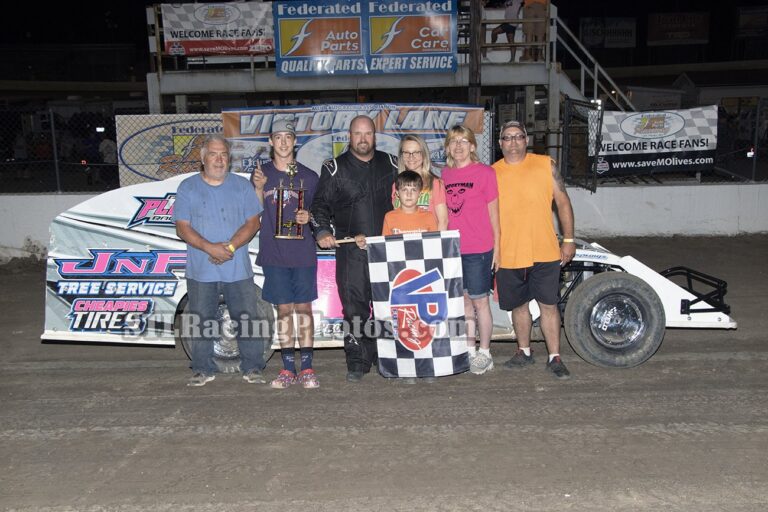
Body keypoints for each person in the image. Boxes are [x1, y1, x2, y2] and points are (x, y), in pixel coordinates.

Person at [173, 134, 267, 387]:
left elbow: (253, 222)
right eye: (213, 154)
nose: (219, 159)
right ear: (203, 159)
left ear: (229, 159)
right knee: (202, 320)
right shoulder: (188, 187)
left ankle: (253, 367)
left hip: (237, 268)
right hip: (201, 269)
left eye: (223, 154)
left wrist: (230, 247)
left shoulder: (241, 186)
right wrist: (209, 248)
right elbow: (182, 227)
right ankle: (202, 369)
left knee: (247, 318)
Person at [311, 115, 398, 383]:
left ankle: (386, 356)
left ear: (375, 135)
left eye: (368, 133)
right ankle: (358, 360)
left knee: (386, 307)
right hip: (352, 252)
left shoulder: (391, 163)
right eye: (357, 134)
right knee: (354, 307)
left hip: (386, 250)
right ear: (349, 136)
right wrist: (323, 230)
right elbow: (319, 207)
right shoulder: (334, 168)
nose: (363, 139)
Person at [492, 120, 574, 379]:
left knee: (549, 305)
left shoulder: (545, 165)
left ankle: (555, 357)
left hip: (545, 250)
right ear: (500, 143)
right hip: (509, 252)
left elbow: (562, 202)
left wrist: (569, 239)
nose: (513, 142)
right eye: (507, 137)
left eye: (518, 136)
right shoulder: (491, 173)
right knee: (518, 306)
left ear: (527, 140)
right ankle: (524, 351)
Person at [251, 119, 321, 389]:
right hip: (274, 253)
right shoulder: (261, 174)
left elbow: (321, 216)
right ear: (270, 141)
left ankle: (308, 367)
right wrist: (258, 188)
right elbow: (255, 213)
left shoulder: (310, 177)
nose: (282, 142)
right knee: (283, 311)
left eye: (287, 137)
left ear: (295, 141)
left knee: (304, 308)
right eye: (277, 137)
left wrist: (310, 216)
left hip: (302, 252)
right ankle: (287, 368)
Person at [441, 125, 500, 376]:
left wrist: (498, 248)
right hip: (454, 248)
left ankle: (485, 352)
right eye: (454, 141)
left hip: (479, 247)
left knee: (480, 302)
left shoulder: (485, 173)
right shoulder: (443, 175)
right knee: (463, 302)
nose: (459, 146)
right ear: (448, 147)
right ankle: (469, 349)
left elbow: (494, 214)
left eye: (464, 141)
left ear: (473, 146)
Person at [392, 135, 448, 230]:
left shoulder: (435, 184)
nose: (411, 157)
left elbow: (443, 221)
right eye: (406, 152)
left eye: (416, 152)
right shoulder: (396, 185)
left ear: (424, 154)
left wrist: (436, 244)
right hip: (403, 241)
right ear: (401, 156)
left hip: (428, 242)